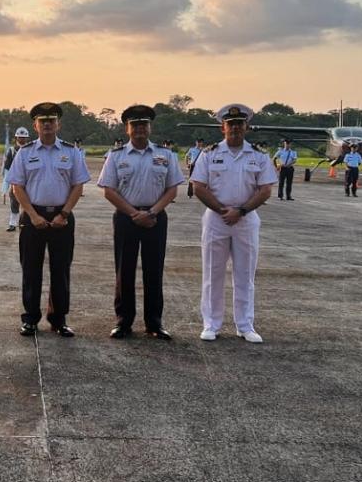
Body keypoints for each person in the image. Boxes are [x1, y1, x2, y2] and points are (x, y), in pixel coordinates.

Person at [190, 104, 277, 343]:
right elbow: (198, 186)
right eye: (231, 125)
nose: (236, 129)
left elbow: (265, 189)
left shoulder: (258, 155)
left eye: (240, 124)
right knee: (212, 273)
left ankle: (245, 325)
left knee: (245, 274)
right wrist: (222, 210)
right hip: (216, 219)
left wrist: (241, 211)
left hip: (246, 220)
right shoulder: (209, 154)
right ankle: (211, 324)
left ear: (246, 127)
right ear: (223, 128)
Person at [98, 105, 184, 340]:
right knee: (124, 271)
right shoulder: (116, 156)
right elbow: (109, 190)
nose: (139, 130)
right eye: (135, 125)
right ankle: (123, 322)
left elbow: (172, 189)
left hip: (155, 218)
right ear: (127, 129)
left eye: (143, 125)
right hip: (126, 218)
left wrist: (152, 212)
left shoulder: (165, 155)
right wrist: (134, 214)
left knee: (154, 271)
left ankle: (154, 323)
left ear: (149, 128)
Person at [7, 102, 91, 338]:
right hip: (33, 217)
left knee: (60, 270)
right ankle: (30, 319)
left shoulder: (71, 152)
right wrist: (32, 215)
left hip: (62, 218)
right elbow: (17, 187)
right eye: (42, 121)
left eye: (51, 121)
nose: (47, 125)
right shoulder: (25, 152)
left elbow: (78, 185)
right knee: (31, 270)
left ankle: (59, 319)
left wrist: (64, 214)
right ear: (35, 125)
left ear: (58, 124)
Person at [2, 127, 31, 231]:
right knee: (14, 203)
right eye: (20, 137)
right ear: (16, 138)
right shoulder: (12, 150)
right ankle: (13, 223)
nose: (22, 139)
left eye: (24, 137)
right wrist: (7, 184)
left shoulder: (30, 149)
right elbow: (7, 167)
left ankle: (24, 222)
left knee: (27, 203)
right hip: (15, 181)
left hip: (28, 181)